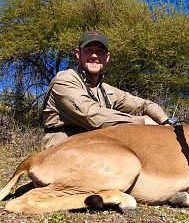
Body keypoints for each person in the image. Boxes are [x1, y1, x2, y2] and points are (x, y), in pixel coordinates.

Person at [41, 30, 172, 150]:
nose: (94, 55)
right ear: (78, 53)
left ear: (107, 57)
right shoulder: (64, 80)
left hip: (93, 147)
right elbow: (91, 116)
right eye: (88, 50)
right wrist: (142, 122)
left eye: (100, 51)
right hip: (62, 150)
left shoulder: (107, 90)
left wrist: (165, 123)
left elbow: (144, 105)